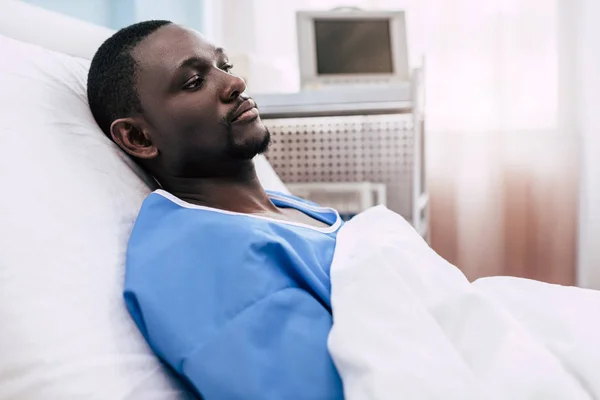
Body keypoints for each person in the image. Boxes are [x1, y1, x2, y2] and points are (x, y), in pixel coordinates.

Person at [87, 21, 345, 399]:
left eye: (224, 66)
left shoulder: (290, 209)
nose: (233, 83)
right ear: (139, 137)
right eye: (194, 82)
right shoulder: (203, 258)